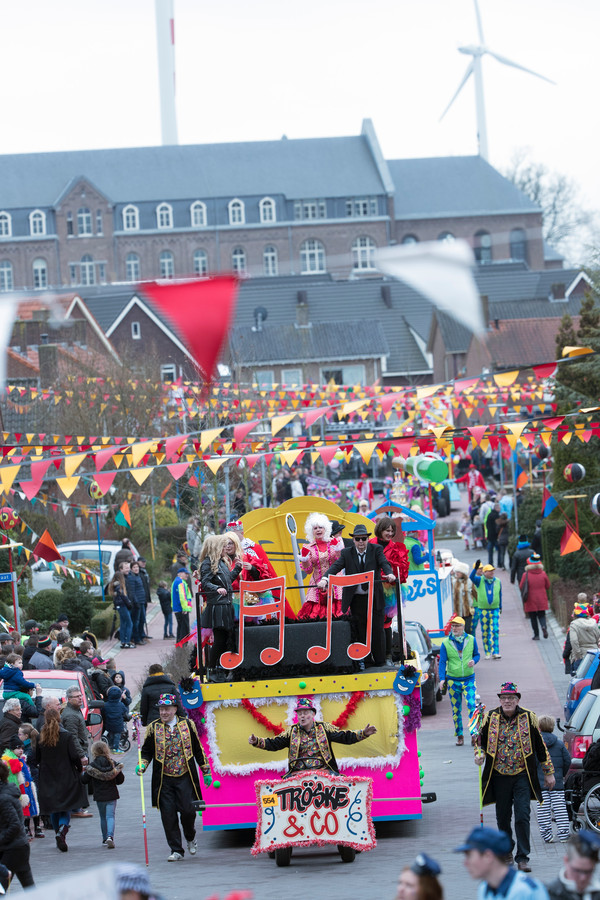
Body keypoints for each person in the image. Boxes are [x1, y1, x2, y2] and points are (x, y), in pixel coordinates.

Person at [475, 682, 555, 872]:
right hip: (499, 775)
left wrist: (549, 772)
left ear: (517, 700)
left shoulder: (528, 717)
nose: (507, 701)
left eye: (511, 698)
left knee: (522, 816)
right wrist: (479, 755)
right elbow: (480, 742)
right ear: (500, 700)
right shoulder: (491, 717)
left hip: (522, 775)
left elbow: (540, 746)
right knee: (503, 817)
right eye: (504, 698)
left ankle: (522, 857)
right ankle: (506, 852)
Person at [137, 693, 209, 861]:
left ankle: (190, 837)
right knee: (168, 815)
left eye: (167, 709)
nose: (163, 712)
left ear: (175, 709)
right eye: (161, 709)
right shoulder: (154, 727)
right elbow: (146, 751)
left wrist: (206, 770)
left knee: (188, 812)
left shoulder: (187, 725)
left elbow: (198, 749)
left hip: (185, 776)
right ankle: (176, 850)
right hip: (164, 779)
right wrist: (143, 764)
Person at [318, 523, 396, 668]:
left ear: (367, 539)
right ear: (353, 540)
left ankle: (380, 662)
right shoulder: (346, 553)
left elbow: (384, 563)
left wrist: (390, 574)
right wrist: (325, 579)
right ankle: (366, 661)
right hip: (357, 600)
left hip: (374, 598)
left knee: (377, 629)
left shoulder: (376, 550)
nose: (361, 542)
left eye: (363, 539)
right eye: (358, 539)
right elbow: (336, 566)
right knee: (361, 630)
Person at [249, 696, 377, 776]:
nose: (302, 716)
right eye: (300, 714)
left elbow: (344, 737)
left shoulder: (324, 728)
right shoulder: (291, 731)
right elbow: (274, 744)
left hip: (324, 773)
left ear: (313, 714)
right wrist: (256, 741)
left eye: (305, 713)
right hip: (298, 774)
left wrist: (363, 733)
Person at [36, 707, 88, 851]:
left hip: (47, 777)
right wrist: (79, 768)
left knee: (54, 808)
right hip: (66, 775)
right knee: (66, 807)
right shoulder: (66, 735)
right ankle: (62, 831)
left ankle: (58, 833)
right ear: (59, 718)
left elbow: (37, 758)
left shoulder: (40, 736)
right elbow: (74, 756)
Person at [455, 826, 549, 899]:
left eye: (469, 856)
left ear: (488, 856)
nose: (465, 863)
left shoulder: (525, 890)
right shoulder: (484, 888)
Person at [199, 534, 242, 673]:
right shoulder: (208, 563)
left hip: (225, 605)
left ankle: (219, 668)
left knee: (225, 639)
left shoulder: (221, 562)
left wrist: (237, 568)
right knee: (219, 640)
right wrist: (217, 588)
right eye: (223, 546)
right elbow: (205, 582)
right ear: (216, 547)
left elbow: (228, 580)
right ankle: (212, 669)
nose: (225, 548)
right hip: (218, 606)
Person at [371, 516, 409, 666]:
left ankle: (387, 655)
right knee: (372, 623)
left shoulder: (396, 547)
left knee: (386, 623)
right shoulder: (370, 543)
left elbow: (401, 569)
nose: (390, 534)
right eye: (387, 530)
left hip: (388, 588)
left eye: (392, 531)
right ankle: (372, 656)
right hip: (371, 588)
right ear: (380, 529)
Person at [439, 615, 480, 746]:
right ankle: (460, 735)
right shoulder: (446, 643)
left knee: (472, 706)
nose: (454, 628)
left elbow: (477, 654)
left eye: (457, 626)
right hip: (453, 681)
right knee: (456, 710)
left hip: (469, 680)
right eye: (453, 626)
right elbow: (442, 662)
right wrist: (442, 679)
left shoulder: (471, 639)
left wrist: (474, 661)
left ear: (463, 627)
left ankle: (474, 735)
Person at [297, 513, 344, 620]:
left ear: (326, 528)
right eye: (315, 528)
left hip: (336, 584)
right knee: (315, 617)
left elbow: (341, 562)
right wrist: (304, 559)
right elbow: (308, 571)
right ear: (311, 531)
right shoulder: (308, 547)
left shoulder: (335, 542)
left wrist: (338, 550)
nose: (318, 530)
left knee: (339, 616)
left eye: (320, 527)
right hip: (317, 585)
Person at [82, 740, 125, 848]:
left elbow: (84, 780)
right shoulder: (113, 764)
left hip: (100, 795)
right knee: (110, 816)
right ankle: (110, 836)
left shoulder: (92, 766)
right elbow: (120, 780)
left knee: (103, 817)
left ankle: (105, 838)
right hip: (111, 794)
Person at [536, 715, 571, 844]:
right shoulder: (560, 744)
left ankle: (547, 835)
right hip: (557, 783)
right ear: (552, 727)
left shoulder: (536, 745)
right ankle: (563, 834)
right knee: (560, 809)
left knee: (543, 810)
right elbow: (567, 761)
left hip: (541, 784)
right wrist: (561, 775)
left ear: (539, 728)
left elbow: (532, 763)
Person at [0, 758, 35, 888]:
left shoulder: (3, 798)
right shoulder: (7, 792)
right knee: (29, 888)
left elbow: (14, 824)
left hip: (13, 848)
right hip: (19, 846)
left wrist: (1, 839)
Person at [547, 830, 600, 899]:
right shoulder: (549, 894)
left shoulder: (597, 891)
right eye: (577, 870)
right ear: (566, 860)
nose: (583, 878)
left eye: (588, 871)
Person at [470, 561, 502, 660]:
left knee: (495, 630)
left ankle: (495, 652)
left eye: (493, 571)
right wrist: (475, 568)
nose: (492, 572)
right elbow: (471, 577)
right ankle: (487, 651)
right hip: (483, 610)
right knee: (485, 631)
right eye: (489, 571)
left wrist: (500, 607)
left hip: (495, 609)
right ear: (484, 572)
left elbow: (500, 594)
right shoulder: (479, 580)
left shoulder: (498, 581)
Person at [521, 554, 550, 641]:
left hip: (530, 598)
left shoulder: (525, 575)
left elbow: (521, 586)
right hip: (541, 598)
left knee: (533, 617)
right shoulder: (543, 573)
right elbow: (548, 586)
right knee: (542, 615)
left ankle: (536, 635)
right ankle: (543, 627)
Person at [569, 598, 600, 671]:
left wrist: (578, 656)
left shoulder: (574, 624)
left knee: (579, 677)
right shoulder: (593, 622)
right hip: (594, 655)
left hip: (581, 655)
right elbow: (598, 637)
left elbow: (574, 641)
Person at [109, 571, 134, 649]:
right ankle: (127, 642)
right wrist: (129, 604)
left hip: (119, 606)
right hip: (123, 606)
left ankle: (123, 642)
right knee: (129, 624)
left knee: (123, 624)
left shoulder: (113, 586)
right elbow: (124, 596)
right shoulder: (119, 586)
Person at [103, 684, 129, 753]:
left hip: (109, 724)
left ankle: (110, 747)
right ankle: (115, 748)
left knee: (111, 736)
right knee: (117, 737)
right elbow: (125, 711)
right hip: (118, 724)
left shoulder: (106, 704)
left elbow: (103, 712)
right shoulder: (121, 704)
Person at [127, 561, 148, 646]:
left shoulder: (138, 576)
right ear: (131, 569)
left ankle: (141, 636)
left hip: (142, 601)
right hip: (137, 603)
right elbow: (132, 592)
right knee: (136, 621)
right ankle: (136, 638)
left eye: (137, 567)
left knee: (142, 620)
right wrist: (136, 602)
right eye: (134, 567)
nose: (136, 569)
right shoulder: (131, 578)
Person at [451, 560, 474, 634]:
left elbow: (474, 594)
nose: (456, 573)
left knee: (468, 630)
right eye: (456, 571)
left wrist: (473, 606)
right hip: (457, 611)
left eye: (459, 572)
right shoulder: (453, 582)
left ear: (463, 573)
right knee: (458, 631)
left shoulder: (469, 582)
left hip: (467, 611)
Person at [171, 567, 192, 643]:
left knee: (180, 626)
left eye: (187, 574)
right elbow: (182, 597)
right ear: (179, 574)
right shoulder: (180, 582)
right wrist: (185, 608)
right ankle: (183, 644)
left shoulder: (176, 581)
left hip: (177, 608)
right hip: (182, 609)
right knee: (184, 628)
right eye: (185, 573)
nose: (187, 575)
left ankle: (179, 643)